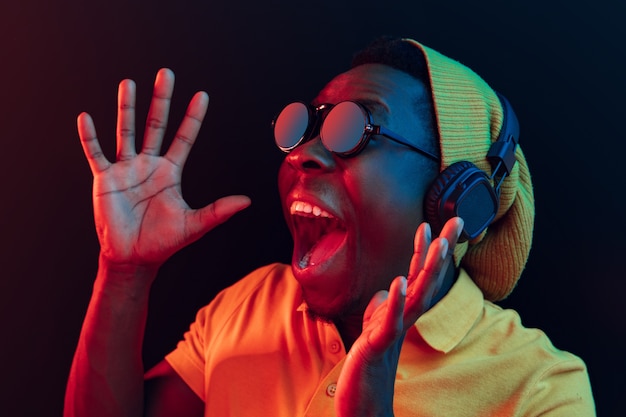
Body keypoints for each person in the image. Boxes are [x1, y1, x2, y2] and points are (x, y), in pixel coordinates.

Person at [64, 37, 595, 416]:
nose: (304, 154)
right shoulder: (250, 304)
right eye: (306, 127)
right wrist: (123, 273)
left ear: (454, 200)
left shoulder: (542, 390)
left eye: (352, 129)